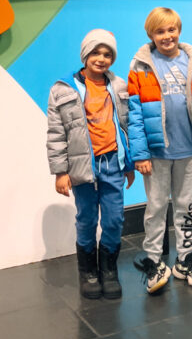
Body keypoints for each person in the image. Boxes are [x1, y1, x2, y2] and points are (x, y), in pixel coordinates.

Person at [127, 7, 192, 293]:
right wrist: (140, 155)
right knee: (156, 207)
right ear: (151, 35)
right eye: (160, 31)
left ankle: (185, 260)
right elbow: (134, 115)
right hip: (157, 154)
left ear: (179, 31)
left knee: (185, 206)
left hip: (188, 150)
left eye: (171, 29)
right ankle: (154, 261)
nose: (167, 36)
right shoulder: (140, 66)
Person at [46, 30, 134, 299]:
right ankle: (88, 272)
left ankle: (108, 270)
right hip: (82, 167)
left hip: (113, 164)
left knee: (114, 218)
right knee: (86, 219)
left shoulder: (119, 86)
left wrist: (129, 163)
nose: (102, 58)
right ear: (85, 54)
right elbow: (56, 133)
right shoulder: (63, 89)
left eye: (108, 54)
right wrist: (61, 172)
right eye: (96, 52)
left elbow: (127, 126)